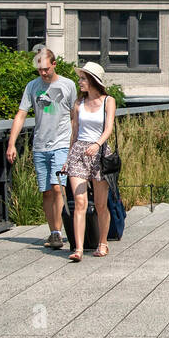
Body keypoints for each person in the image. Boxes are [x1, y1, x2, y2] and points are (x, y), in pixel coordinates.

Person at [7, 47, 77, 250]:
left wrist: (74, 144)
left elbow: (75, 116)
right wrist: (11, 143)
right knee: (46, 191)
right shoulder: (32, 86)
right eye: (40, 70)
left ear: (54, 65)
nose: (43, 73)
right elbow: (21, 114)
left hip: (61, 144)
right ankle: (53, 231)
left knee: (57, 187)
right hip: (39, 145)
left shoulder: (68, 85)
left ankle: (58, 232)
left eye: (46, 69)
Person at [62, 61, 116, 262]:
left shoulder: (108, 101)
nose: (80, 82)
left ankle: (103, 242)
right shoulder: (78, 104)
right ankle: (78, 248)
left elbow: (108, 127)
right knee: (80, 201)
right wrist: (68, 158)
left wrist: (97, 144)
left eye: (83, 78)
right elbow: (74, 132)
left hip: (100, 153)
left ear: (93, 81)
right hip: (78, 153)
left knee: (101, 204)